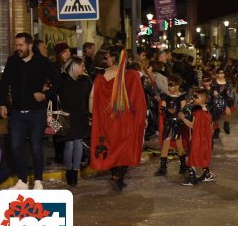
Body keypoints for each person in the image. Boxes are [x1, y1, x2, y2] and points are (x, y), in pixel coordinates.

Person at [0, 32, 61, 190]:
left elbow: (58, 82)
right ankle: (22, 181)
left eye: (21, 45)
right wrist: (2, 104)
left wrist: (45, 95)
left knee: (36, 146)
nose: (18, 48)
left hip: (37, 112)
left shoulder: (42, 62)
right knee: (15, 146)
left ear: (29, 45)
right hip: (17, 112)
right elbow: (4, 84)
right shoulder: (13, 61)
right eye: (16, 45)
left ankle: (38, 180)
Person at [89, 46, 147, 192]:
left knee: (111, 146)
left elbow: (92, 97)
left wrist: (92, 115)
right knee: (125, 148)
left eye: (108, 56)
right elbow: (139, 100)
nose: (106, 59)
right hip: (125, 120)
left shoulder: (100, 77)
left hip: (106, 120)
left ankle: (115, 174)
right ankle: (118, 174)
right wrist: (142, 117)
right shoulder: (132, 75)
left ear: (114, 58)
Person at [58, 57, 91, 187]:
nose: (83, 68)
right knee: (69, 144)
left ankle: (75, 171)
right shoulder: (62, 80)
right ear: (74, 67)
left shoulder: (85, 80)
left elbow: (90, 97)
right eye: (81, 66)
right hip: (67, 116)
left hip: (80, 115)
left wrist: (90, 115)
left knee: (78, 142)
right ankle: (69, 171)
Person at [155, 74, 189, 176]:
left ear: (177, 86)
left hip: (177, 123)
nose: (169, 87)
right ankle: (163, 168)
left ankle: (183, 166)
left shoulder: (182, 96)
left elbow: (184, 110)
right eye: (168, 85)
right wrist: (167, 110)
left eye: (172, 85)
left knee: (179, 144)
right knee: (166, 144)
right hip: (169, 123)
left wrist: (177, 113)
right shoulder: (165, 96)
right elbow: (163, 109)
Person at [179, 88, 214, 186]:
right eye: (193, 96)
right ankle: (207, 175)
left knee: (189, 157)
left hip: (199, 139)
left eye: (196, 97)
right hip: (205, 139)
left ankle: (192, 178)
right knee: (201, 156)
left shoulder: (197, 111)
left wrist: (183, 118)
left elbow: (192, 126)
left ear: (203, 99)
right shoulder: (207, 111)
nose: (193, 98)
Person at [212, 69, 235, 138]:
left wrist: (230, 93)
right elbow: (213, 91)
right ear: (217, 74)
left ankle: (226, 124)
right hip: (216, 100)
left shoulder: (227, 81)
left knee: (228, 113)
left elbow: (230, 90)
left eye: (223, 73)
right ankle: (216, 129)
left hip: (226, 100)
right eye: (220, 73)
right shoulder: (214, 82)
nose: (222, 74)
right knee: (215, 117)